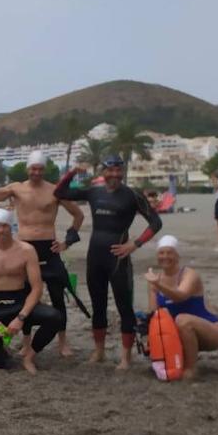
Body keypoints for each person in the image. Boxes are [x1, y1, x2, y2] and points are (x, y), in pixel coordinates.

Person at [55, 155, 163, 369]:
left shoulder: (132, 196)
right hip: (95, 256)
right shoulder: (94, 192)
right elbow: (59, 193)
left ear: (122, 172)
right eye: (110, 171)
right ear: (103, 172)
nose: (114, 175)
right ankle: (100, 351)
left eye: (118, 171)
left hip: (118, 259)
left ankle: (126, 357)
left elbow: (156, 222)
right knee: (98, 307)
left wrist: (135, 244)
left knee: (124, 308)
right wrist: (73, 172)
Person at [0, 151, 85, 357]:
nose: (36, 172)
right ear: (28, 169)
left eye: (40, 169)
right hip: (25, 248)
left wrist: (67, 242)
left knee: (57, 296)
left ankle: (63, 342)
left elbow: (78, 215)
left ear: (44, 170)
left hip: (49, 247)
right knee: (26, 296)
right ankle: (26, 343)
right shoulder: (16, 189)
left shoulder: (55, 191)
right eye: (33, 168)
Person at [0, 209, 61, 374]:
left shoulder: (26, 251)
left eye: (5, 226)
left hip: (18, 301)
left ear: (12, 227)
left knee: (54, 317)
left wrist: (21, 318)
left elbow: (37, 288)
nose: (1, 230)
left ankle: (29, 356)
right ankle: (0, 349)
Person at [143, 235, 218, 381]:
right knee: (157, 321)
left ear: (177, 255)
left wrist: (159, 284)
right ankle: (175, 361)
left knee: (182, 320)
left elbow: (180, 296)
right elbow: (154, 314)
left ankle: (191, 368)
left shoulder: (189, 275)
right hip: (180, 335)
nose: (165, 256)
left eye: (170, 252)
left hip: (211, 331)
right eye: (161, 253)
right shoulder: (154, 281)